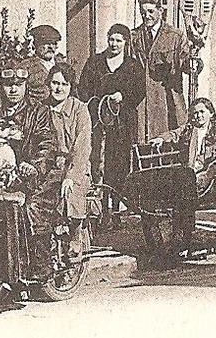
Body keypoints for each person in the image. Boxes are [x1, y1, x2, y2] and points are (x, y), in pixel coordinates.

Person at [77, 23, 145, 215]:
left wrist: (123, 97)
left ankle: (115, 207)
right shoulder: (95, 62)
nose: (114, 44)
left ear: (125, 42)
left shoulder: (133, 65)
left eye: (118, 40)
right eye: (111, 39)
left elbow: (140, 91)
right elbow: (83, 89)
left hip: (122, 122)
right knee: (96, 160)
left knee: (119, 162)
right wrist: (96, 104)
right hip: (98, 120)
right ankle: (97, 207)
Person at [144, 98, 216, 258]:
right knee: (174, 186)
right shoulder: (189, 129)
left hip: (206, 173)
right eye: (195, 113)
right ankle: (174, 238)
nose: (198, 116)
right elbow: (175, 133)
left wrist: (203, 168)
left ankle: (183, 237)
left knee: (185, 189)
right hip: (188, 173)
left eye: (202, 112)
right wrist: (162, 138)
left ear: (211, 113)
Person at [130, 0, 193, 140]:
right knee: (141, 146)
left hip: (167, 101)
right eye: (143, 12)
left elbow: (188, 65)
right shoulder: (134, 37)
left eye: (151, 11)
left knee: (166, 145)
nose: (147, 16)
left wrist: (194, 59)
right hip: (142, 103)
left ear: (160, 11)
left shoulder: (175, 36)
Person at [46, 66, 92, 256]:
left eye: (64, 84)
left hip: (76, 167)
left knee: (69, 192)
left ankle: (76, 233)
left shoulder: (80, 110)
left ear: (70, 86)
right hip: (49, 167)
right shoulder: (42, 109)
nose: (59, 88)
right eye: (55, 83)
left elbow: (82, 147)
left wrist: (71, 176)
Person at [20, 24, 68, 98]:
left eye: (54, 43)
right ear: (34, 45)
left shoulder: (63, 65)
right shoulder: (25, 66)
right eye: (45, 43)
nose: (50, 47)